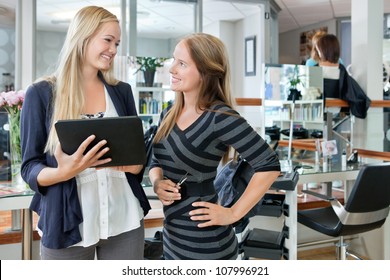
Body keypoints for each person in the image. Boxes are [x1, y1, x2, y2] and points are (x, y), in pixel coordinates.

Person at [20, 6, 150, 260]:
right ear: (83, 36)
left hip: (124, 220)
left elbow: (138, 160)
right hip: (67, 225)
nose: (113, 50)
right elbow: (29, 167)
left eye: (117, 43)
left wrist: (133, 166)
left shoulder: (121, 91)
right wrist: (62, 172)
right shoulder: (41, 93)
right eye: (108, 40)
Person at [148, 33, 281, 260]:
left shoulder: (220, 117)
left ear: (205, 72)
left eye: (181, 63)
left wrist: (232, 213)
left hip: (207, 245)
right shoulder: (168, 113)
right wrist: (157, 182)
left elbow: (269, 165)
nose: (172, 69)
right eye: (173, 60)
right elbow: (156, 160)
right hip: (172, 239)